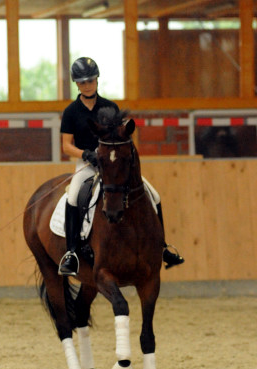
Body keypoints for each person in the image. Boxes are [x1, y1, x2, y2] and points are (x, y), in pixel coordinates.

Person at [58, 56, 184, 276]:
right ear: (76, 84)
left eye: (91, 80)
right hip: (87, 163)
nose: (87, 85)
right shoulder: (71, 112)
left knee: (153, 195)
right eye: (82, 82)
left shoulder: (110, 107)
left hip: (113, 165)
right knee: (73, 195)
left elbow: (122, 138)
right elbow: (66, 146)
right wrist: (86, 154)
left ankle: (162, 247)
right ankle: (71, 254)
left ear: (97, 80)